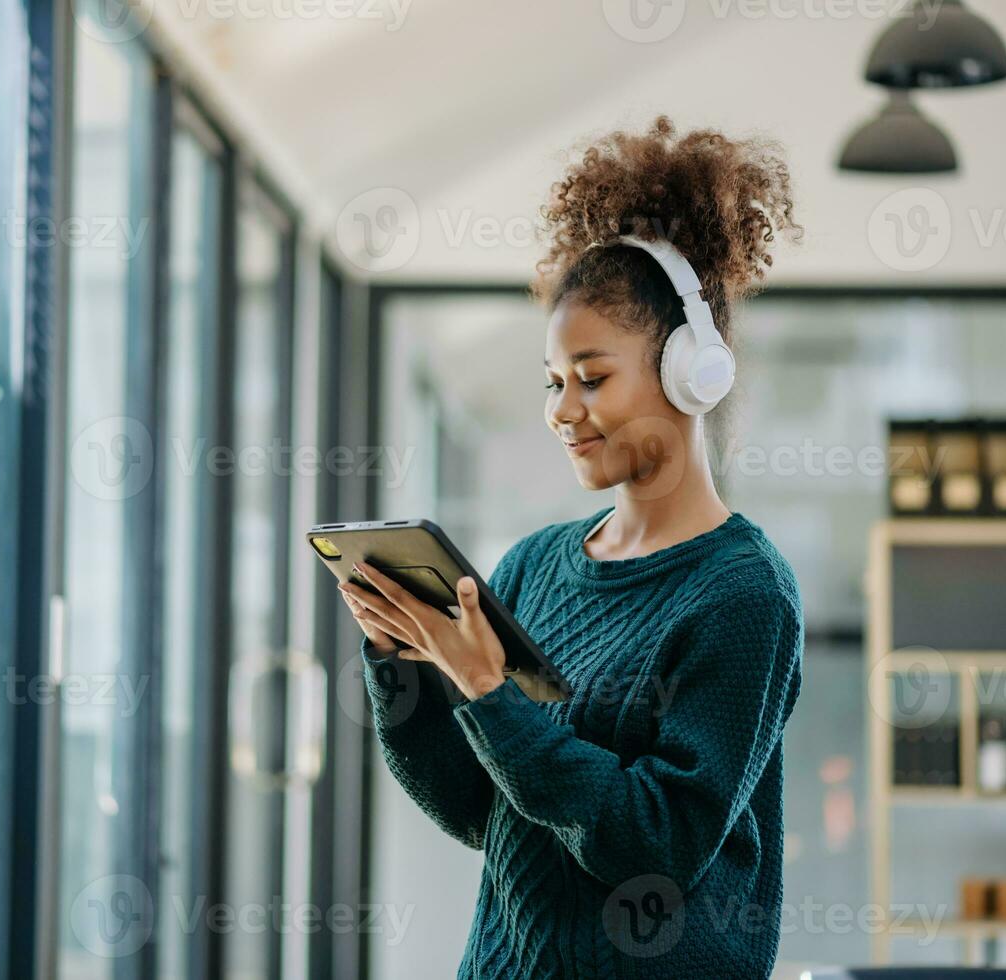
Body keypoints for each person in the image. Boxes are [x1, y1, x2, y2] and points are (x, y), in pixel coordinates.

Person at [337, 115, 806, 979]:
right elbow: (485, 810)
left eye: (593, 377)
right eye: (553, 383)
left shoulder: (743, 595)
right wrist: (400, 660)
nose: (562, 410)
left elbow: (654, 849)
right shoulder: (532, 566)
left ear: (687, 369)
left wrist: (487, 686)